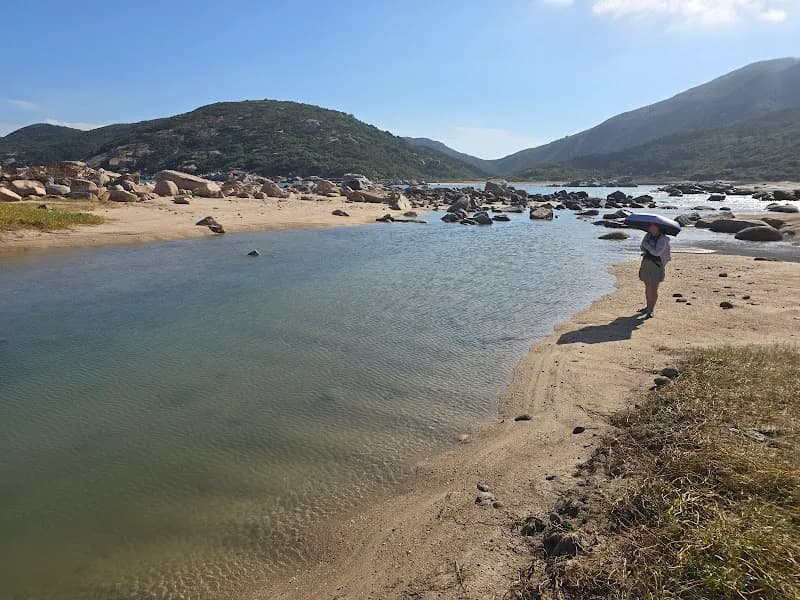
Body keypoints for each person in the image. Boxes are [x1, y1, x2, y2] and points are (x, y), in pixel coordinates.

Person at [638, 223, 671, 318]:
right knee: (647, 285)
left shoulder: (663, 239)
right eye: (650, 226)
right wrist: (645, 246)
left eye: (652, 226)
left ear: (658, 228)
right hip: (646, 262)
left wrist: (646, 245)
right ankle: (648, 306)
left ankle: (651, 310)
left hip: (657, 264)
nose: (650, 228)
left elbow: (657, 252)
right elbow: (642, 247)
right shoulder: (647, 235)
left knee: (654, 287)